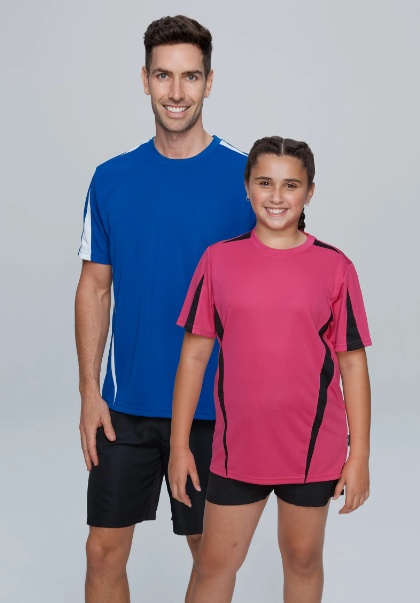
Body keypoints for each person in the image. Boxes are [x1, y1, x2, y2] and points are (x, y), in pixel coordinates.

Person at [75, 15, 255, 603]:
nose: (176, 92)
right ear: (145, 79)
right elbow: (94, 288)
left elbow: (281, 288)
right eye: (163, 76)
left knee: (207, 555)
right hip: (124, 408)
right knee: (102, 551)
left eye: (190, 76)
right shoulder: (111, 179)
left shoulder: (248, 181)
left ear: (209, 82)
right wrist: (89, 393)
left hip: (213, 408)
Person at [169, 136, 372, 603]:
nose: (277, 196)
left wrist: (358, 454)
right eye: (265, 182)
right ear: (247, 187)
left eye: (290, 185)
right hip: (238, 447)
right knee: (214, 566)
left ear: (309, 192)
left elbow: (352, 363)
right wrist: (180, 447)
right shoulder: (218, 260)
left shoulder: (335, 266)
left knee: (302, 560)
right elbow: (194, 358)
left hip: (312, 449)